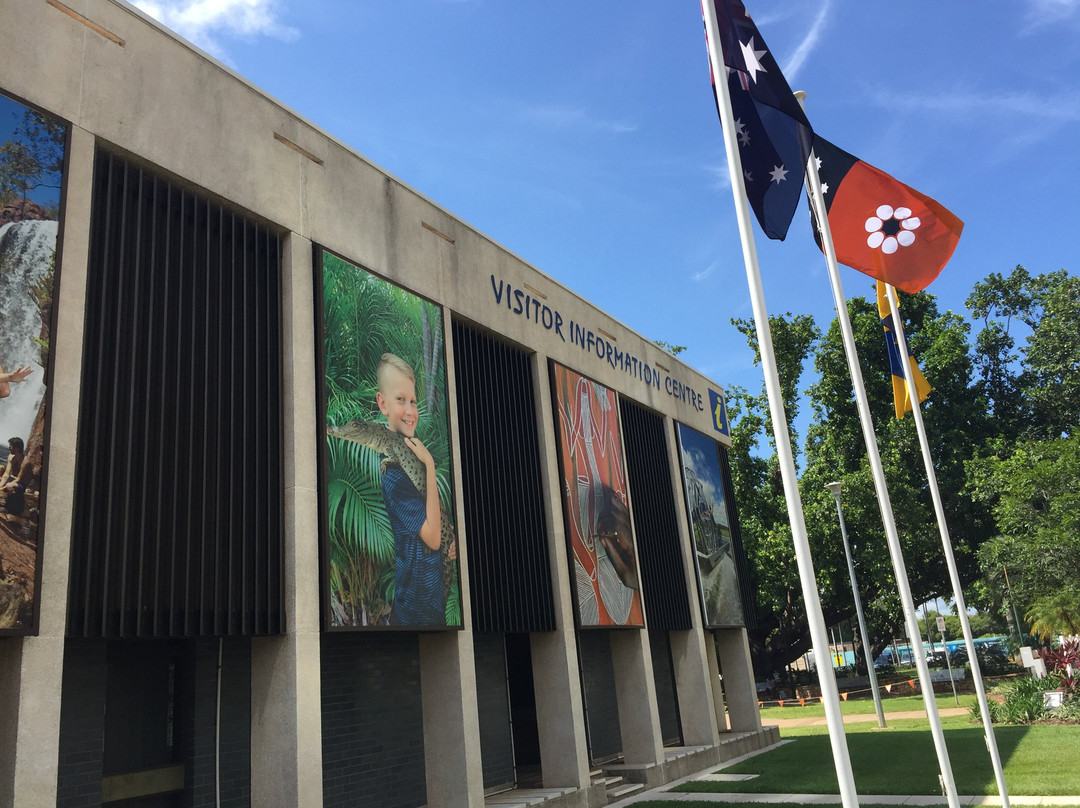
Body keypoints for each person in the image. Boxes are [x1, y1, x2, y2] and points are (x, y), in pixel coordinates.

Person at [375, 353, 456, 625]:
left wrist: (450, 541)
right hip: (415, 609)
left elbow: (437, 528)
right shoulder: (394, 475)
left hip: (429, 600)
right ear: (382, 403)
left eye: (413, 401)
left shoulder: (410, 450)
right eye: (401, 400)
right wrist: (430, 465)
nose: (410, 411)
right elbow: (432, 538)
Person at [1, 437, 32, 516]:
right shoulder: (11, 457)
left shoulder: (25, 462)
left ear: (17, 448)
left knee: (10, 486)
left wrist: (5, 487)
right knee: (6, 484)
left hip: (20, 483)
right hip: (12, 479)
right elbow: (6, 474)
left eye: (10, 446)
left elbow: (18, 479)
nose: (9, 448)